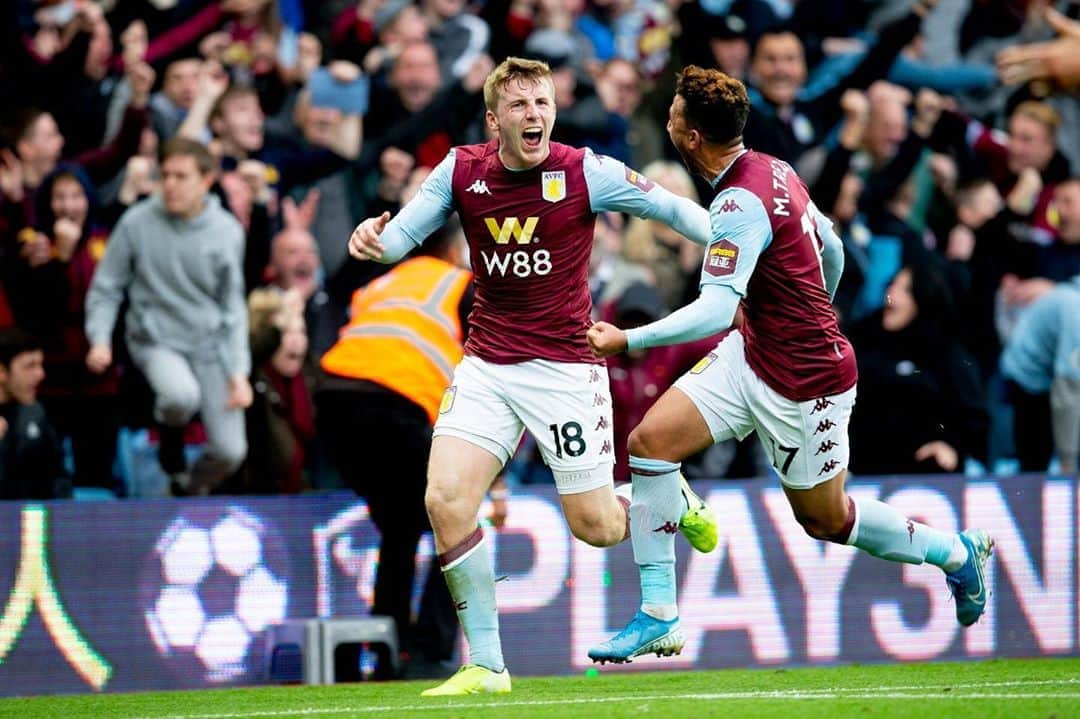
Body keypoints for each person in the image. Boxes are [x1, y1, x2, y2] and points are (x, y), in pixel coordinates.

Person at [586, 66, 994, 663]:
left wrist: (629, 340)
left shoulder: (735, 201)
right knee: (649, 444)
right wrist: (802, 306)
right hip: (753, 354)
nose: (668, 120)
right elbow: (831, 249)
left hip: (808, 386)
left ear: (690, 137)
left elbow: (713, 310)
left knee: (826, 519)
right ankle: (658, 614)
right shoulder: (776, 169)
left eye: (674, 115)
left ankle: (956, 554)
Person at [347, 56, 719, 696]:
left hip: (565, 370)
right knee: (444, 500)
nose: (534, 115)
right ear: (495, 120)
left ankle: (674, 499)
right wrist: (373, 237)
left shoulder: (585, 171)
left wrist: (740, 251)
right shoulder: (463, 171)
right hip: (488, 363)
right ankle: (487, 665)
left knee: (598, 527)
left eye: (542, 103)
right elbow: (402, 236)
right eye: (519, 106)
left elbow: (676, 212)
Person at [319, 221, 477, 679]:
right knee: (460, 518)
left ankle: (389, 646)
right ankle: (428, 652)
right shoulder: (459, 284)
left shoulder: (384, 282)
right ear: (453, 250)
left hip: (333, 403)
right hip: (394, 405)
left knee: (401, 525)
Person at [84, 138, 252, 496]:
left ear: (206, 181)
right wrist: (99, 338)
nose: (170, 185)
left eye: (181, 176)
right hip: (155, 339)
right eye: (166, 175)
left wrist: (239, 372)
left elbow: (233, 306)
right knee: (179, 395)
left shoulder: (227, 231)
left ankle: (188, 489)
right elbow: (106, 287)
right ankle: (170, 443)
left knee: (231, 451)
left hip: (209, 346)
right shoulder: (137, 222)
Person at [1000, 278, 1080, 475]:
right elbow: (1067, 394)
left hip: (1049, 361)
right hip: (1027, 373)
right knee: (1035, 458)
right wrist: (1067, 463)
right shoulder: (1075, 312)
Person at [0, 327, 69, 500]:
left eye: (40, 365)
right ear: (1, 371)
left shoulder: (36, 413)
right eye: (29, 366)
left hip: (34, 521)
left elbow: (59, 479)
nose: (41, 374)